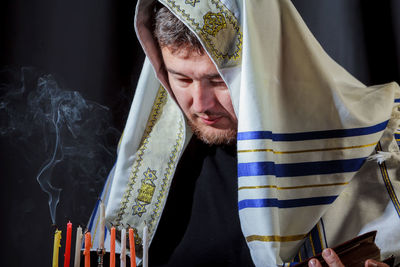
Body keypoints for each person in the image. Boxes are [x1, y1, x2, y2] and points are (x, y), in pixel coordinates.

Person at [88, 0, 400, 266]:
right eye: (181, 79)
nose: (200, 104)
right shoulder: (144, 171)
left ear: (265, 66)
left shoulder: (378, 148)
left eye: (219, 80)